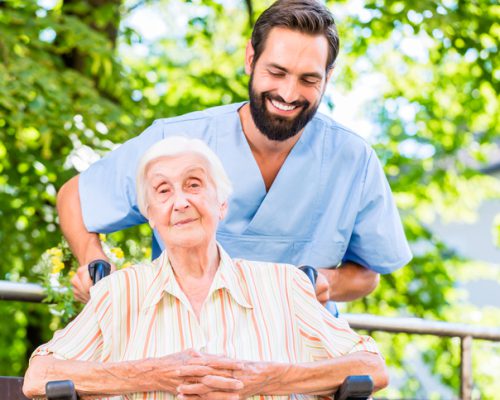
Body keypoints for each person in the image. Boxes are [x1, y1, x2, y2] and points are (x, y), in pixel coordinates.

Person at [57, 0, 412, 306]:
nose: (289, 93)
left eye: (308, 79)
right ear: (250, 58)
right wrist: (92, 261)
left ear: (328, 78)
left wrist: (323, 283)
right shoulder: (177, 139)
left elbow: (368, 274)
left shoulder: (353, 160)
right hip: (185, 350)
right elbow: (75, 196)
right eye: (277, 72)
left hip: (300, 358)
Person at [24, 137, 388, 399]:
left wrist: (266, 378)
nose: (180, 202)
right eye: (163, 191)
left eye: (194, 185)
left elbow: (372, 367)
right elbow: (39, 376)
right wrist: (152, 374)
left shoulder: (283, 285)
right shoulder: (120, 293)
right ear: (151, 216)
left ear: (222, 204)